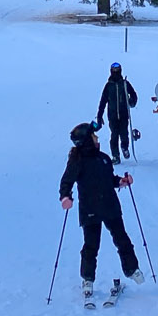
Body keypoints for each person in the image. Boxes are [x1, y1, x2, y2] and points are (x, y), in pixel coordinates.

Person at [60, 122, 144, 300]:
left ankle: (131, 269)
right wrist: (65, 197)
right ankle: (87, 279)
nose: (97, 139)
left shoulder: (104, 158)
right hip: (90, 209)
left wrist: (122, 181)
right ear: (86, 141)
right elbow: (66, 181)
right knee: (91, 245)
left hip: (110, 205)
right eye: (94, 137)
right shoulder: (77, 162)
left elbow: (110, 179)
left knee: (122, 239)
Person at [94, 63, 138, 161]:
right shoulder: (108, 86)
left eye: (117, 70)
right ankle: (115, 155)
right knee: (114, 134)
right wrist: (99, 116)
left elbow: (134, 95)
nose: (115, 72)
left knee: (124, 133)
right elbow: (103, 102)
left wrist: (132, 101)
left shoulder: (125, 84)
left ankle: (125, 147)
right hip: (112, 115)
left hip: (123, 114)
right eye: (114, 70)